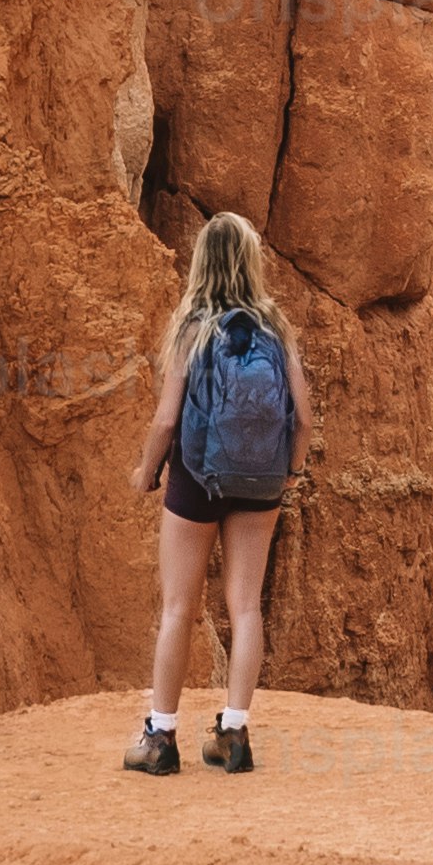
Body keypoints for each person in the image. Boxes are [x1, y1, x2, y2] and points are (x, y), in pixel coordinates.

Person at [124, 212, 312, 775]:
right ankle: (233, 733)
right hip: (262, 483)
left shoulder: (193, 326)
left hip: (196, 477)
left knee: (180, 607)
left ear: (202, 260)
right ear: (251, 260)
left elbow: (164, 421)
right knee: (246, 605)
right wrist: (289, 475)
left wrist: (145, 471)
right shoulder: (275, 328)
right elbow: (303, 417)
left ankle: (160, 740)